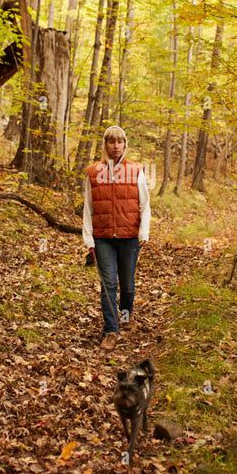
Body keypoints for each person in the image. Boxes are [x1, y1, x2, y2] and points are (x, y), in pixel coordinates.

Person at [82, 125, 151, 351]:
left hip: (129, 237)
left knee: (128, 286)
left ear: (125, 144)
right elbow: (88, 208)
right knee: (108, 284)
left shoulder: (136, 170)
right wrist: (88, 239)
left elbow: (144, 205)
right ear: (106, 145)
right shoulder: (93, 172)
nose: (116, 146)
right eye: (112, 142)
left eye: (120, 142)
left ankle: (125, 315)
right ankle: (111, 330)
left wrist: (144, 232)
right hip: (103, 238)